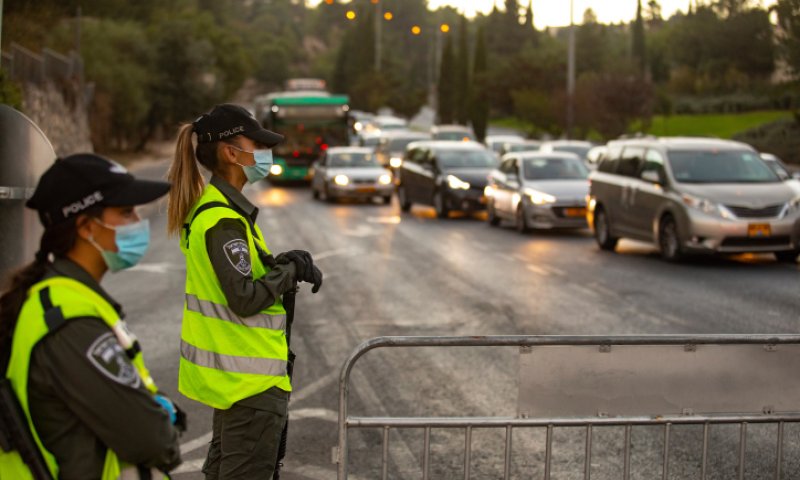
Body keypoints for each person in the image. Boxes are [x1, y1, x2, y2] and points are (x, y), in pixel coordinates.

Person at [0, 154, 184, 479]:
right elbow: (151, 440)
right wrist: (161, 421)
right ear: (86, 226)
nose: (137, 221)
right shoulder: (70, 319)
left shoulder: (63, 297)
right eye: (125, 212)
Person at [167, 103, 322, 479]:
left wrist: (278, 262)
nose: (265, 154)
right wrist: (288, 271)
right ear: (230, 152)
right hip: (250, 386)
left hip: (236, 385)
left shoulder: (220, 210)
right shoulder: (222, 219)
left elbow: (238, 277)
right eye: (258, 144)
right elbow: (244, 297)